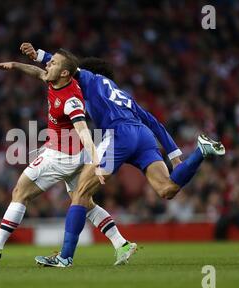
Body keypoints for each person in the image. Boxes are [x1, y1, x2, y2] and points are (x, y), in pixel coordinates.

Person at [20, 43, 225, 267]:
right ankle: (200, 151)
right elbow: (153, 122)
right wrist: (175, 155)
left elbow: (65, 64)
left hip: (118, 134)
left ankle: (65, 257)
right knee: (167, 189)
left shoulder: (88, 79)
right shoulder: (121, 92)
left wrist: (39, 55)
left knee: (80, 193)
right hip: (142, 135)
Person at [0, 49, 138, 262]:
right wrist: (14, 65)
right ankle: (122, 244)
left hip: (60, 155)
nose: (48, 65)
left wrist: (97, 161)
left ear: (65, 73)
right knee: (84, 202)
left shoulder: (71, 101)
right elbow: (37, 72)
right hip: (73, 154)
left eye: (54, 63)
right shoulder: (55, 80)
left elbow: (84, 130)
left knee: (20, 191)